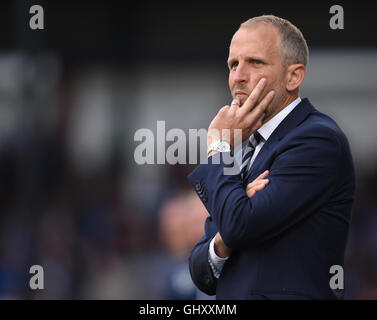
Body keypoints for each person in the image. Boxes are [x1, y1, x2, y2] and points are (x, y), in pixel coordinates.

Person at [187, 15, 355, 299]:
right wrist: (224, 238)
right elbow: (200, 271)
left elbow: (240, 225)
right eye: (233, 64)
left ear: (294, 76)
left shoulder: (317, 139)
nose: (238, 76)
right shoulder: (244, 151)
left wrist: (217, 147)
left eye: (255, 62)